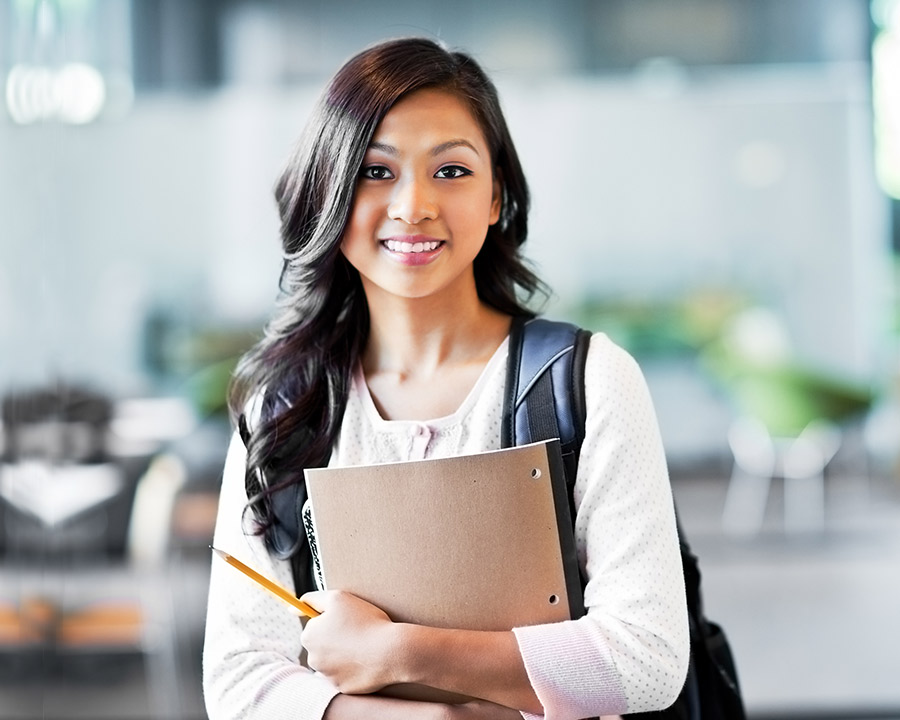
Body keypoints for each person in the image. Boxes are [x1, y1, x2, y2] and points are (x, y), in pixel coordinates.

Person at [203, 37, 689, 720]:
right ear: (331, 193)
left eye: (452, 171)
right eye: (376, 171)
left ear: (497, 196)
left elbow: (646, 660)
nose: (413, 206)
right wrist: (437, 718)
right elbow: (238, 680)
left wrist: (400, 653)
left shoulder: (587, 380)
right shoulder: (284, 407)